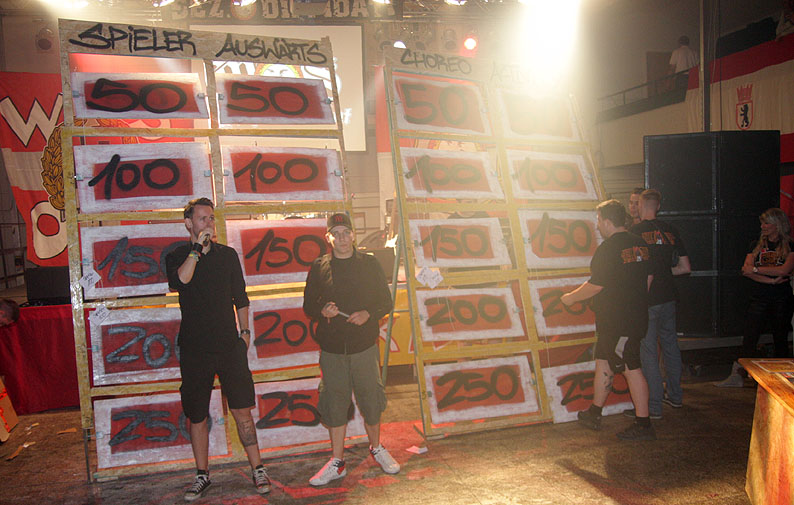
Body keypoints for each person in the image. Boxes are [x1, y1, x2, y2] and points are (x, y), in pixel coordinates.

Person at [165, 197, 271, 502]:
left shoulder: (227, 255)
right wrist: (196, 251)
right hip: (195, 348)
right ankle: (202, 474)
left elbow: (241, 296)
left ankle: (258, 468)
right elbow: (181, 281)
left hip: (228, 345)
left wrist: (245, 333)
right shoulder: (177, 255)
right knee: (197, 413)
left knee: (242, 409)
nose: (209, 223)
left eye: (211, 218)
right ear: (188, 223)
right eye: (202, 219)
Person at [303, 212, 398, 486]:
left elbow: (386, 301)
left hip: (364, 346)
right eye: (336, 234)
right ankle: (337, 461)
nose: (342, 238)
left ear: (353, 235)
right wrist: (322, 310)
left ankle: (376, 447)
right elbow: (308, 305)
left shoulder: (369, 263)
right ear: (328, 238)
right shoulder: (319, 267)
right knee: (334, 402)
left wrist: (369, 313)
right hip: (332, 348)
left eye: (346, 232)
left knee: (371, 399)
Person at [560, 200, 655, 441]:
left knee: (631, 367)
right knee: (604, 360)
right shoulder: (640, 244)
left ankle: (644, 425)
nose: (597, 225)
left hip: (620, 322)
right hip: (626, 319)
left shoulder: (608, 248)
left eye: (599, 220)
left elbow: (595, 285)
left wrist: (570, 298)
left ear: (608, 222)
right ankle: (594, 412)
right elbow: (648, 278)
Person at [626, 189, 691, 419]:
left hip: (648, 299)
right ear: (659, 206)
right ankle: (675, 396)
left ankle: (653, 406)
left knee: (649, 352)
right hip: (669, 297)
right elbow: (685, 268)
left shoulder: (635, 232)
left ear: (641, 205)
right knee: (671, 347)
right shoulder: (671, 230)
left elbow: (635, 270)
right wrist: (664, 272)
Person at [717, 208, 794, 387]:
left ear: (777, 224)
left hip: (782, 298)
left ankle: (782, 379)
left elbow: (784, 270)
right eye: (762, 223)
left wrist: (757, 270)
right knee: (750, 337)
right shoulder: (755, 244)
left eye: (766, 223)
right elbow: (746, 270)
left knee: (780, 338)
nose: (763, 226)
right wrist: (770, 280)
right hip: (759, 296)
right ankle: (739, 375)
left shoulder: (790, 245)